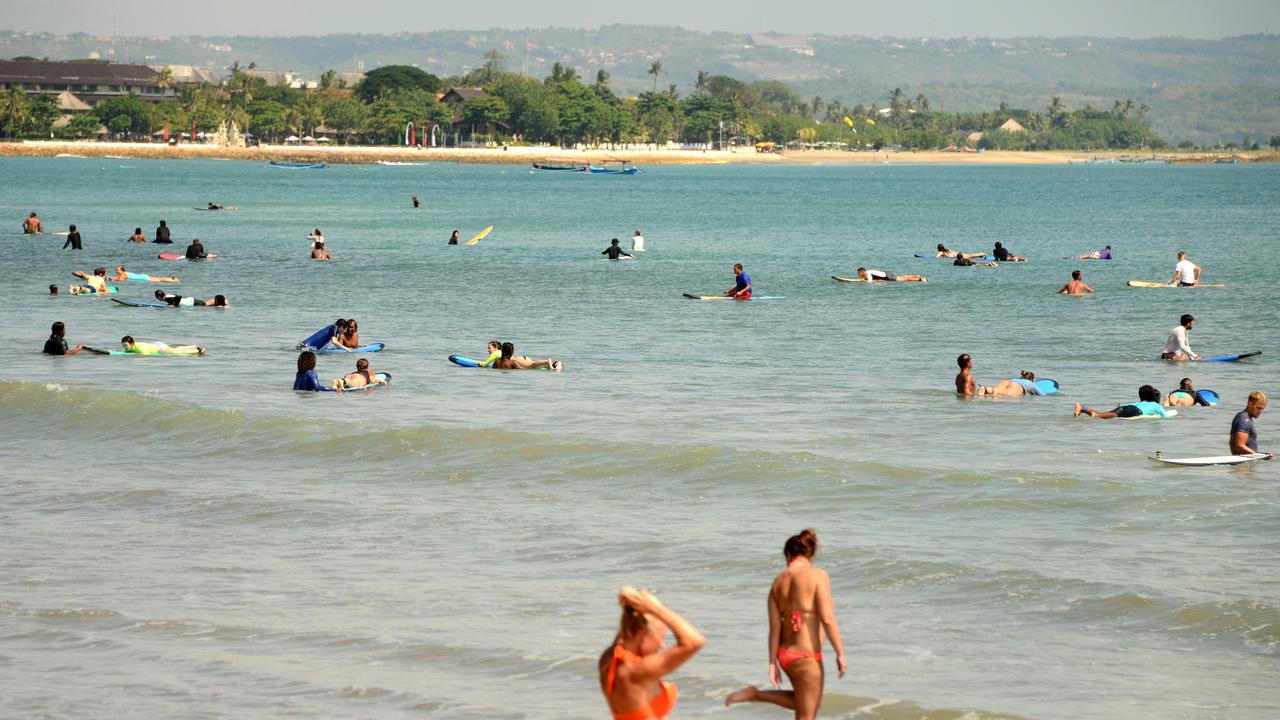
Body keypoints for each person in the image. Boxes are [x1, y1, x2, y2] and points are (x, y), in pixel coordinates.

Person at [725, 529, 847, 719]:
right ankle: (755, 694)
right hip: (807, 656)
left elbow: (775, 628)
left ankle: (755, 694)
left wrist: (773, 663)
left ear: (789, 555)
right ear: (811, 554)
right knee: (807, 714)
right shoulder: (818, 575)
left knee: (808, 703)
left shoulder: (777, 582)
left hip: (785, 655)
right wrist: (840, 653)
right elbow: (827, 618)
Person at [599, 586, 704, 720]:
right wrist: (657, 609)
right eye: (661, 636)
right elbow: (695, 641)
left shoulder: (608, 658)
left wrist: (631, 605)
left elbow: (628, 632)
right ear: (644, 635)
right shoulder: (636, 671)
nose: (662, 644)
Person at [1074, 385, 1169, 419]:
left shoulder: (1139, 402)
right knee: (1099, 416)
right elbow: (1165, 417)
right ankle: (1085, 410)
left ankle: (1083, 408)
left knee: (1102, 415)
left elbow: (1123, 405)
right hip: (1134, 411)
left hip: (1127, 407)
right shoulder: (1156, 405)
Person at [1229, 391, 1270, 456]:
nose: (1260, 411)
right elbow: (1239, 446)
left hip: (1244, 461)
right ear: (1250, 404)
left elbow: (1231, 443)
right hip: (1245, 462)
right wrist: (1260, 456)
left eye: (1262, 409)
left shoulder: (1242, 417)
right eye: (1258, 408)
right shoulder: (1244, 420)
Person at [492, 342, 562, 371]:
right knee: (558, 363)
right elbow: (525, 370)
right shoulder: (512, 363)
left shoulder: (496, 362)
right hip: (528, 363)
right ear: (511, 351)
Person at [120, 335, 206, 356]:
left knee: (178, 353)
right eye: (123, 345)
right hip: (156, 344)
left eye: (126, 345)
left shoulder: (140, 348)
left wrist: (135, 354)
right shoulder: (130, 347)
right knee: (175, 349)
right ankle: (193, 346)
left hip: (160, 348)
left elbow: (146, 355)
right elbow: (126, 351)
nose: (124, 347)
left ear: (132, 344)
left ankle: (199, 351)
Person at [978, 370, 1044, 397]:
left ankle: (986, 389)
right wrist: (1034, 382)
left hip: (1007, 381)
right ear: (1031, 379)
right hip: (1016, 386)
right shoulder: (1030, 383)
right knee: (1006, 394)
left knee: (997, 391)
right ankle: (987, 390)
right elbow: (1042, 394)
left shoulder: (1016, 379)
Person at [112, 266, 179, 283]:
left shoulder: (123, 274)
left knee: (159, 280)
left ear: (121, 270)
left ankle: (174, 281)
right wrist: (112, 278)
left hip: (143, 278)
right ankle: (173, 279)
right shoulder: (124, 273)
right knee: (159, 279)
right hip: (142, 276)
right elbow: (119, 278)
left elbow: (120, 280)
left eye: (117, 270)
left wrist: (112, 279)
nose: (116, 271)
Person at [855, 267, 925, 283]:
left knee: (903, 279)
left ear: (862, 272)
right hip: (887, 274)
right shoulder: (868, 272)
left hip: (887, 276)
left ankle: (919, 279)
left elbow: (870, 282)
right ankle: (917, 276)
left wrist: (862, 280)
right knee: (902, 277)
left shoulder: (868, 273)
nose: (859, 275)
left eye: (859, 274)